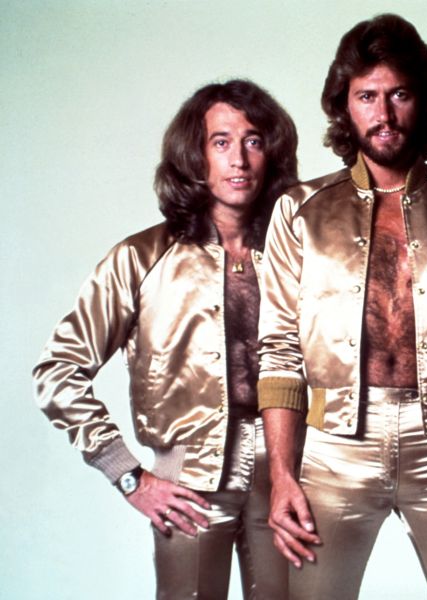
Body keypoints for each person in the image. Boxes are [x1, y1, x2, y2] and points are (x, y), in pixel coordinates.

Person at [256, 14, 427, 600]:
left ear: (425, 101)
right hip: (333, 451)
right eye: (366, 96)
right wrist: (281, 476)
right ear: (344, 106)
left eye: (399, 94)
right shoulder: (300, 211)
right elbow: (278, 353)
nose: (384, 113)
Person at [33, 79, 298, 599]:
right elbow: (57, 372)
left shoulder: (297, 257)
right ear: (195, 156)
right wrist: (128, 474)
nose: (239, 159)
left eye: (253, 141)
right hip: (189, 478)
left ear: (272, 153)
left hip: (291, 473)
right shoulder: (141, 258)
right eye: (221, 142)